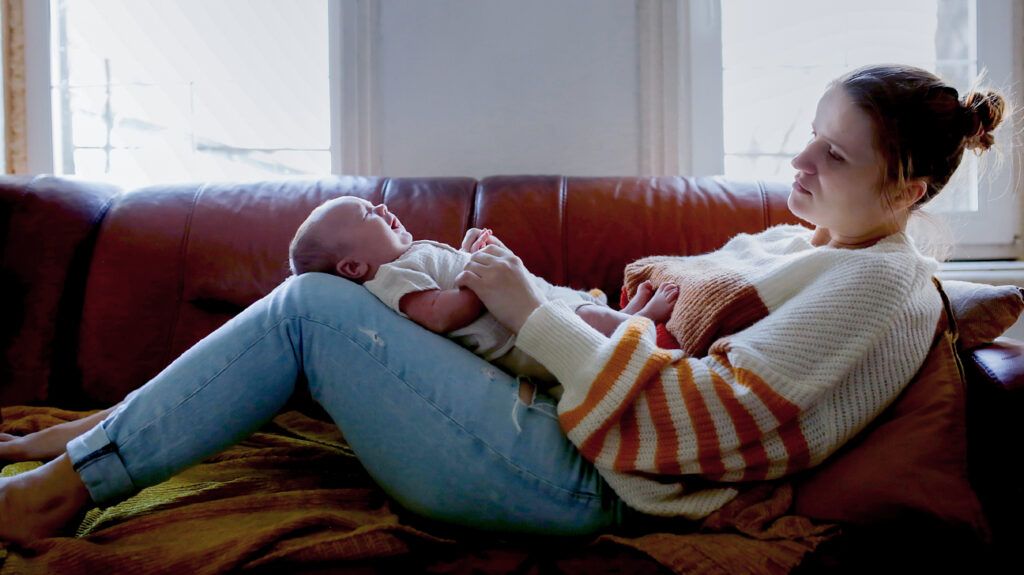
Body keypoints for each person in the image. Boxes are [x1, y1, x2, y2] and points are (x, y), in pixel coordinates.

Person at [0, 64, 1008, 544]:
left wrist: (526, 310)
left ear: (909, 188)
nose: (798, 161)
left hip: (576, 477)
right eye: (808, 134)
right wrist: (529, 300)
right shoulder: (807, 245)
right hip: (555, 426)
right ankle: (104, 435)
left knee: (315, 305)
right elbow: (645, 334)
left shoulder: (876, 283)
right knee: (345, 297)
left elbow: (716, 422)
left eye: (834, 155)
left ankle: (62, 489)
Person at [287, 195, 680, 384]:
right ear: (354, 267)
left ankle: (622, 317)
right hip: (520, 342)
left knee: (575, 303)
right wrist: (480, 280)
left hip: (526, 307)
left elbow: (446, 281)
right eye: (368, 214)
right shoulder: (389, 279)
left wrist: (466, 252)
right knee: (583, 319)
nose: (384, 209)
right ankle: (638, 321)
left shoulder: (409, 258)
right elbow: (440, 314)